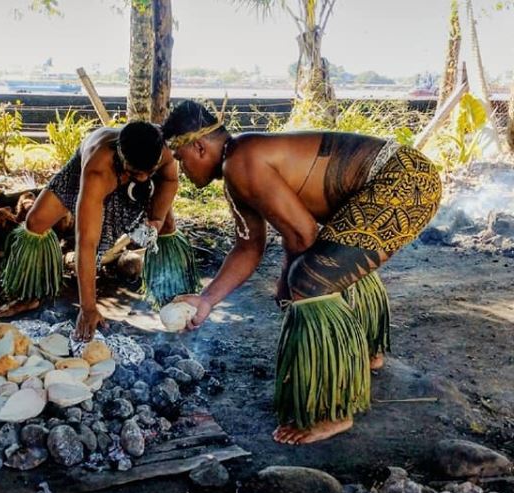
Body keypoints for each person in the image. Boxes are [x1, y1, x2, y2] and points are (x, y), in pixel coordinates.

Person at [162, 99, 442, 445]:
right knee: (331, 259)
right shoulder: (239, 162)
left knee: (310, 280)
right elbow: (249, 247)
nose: (183, 171)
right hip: (405, 176)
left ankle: (332, 411)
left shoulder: (241, 162)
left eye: (180, 159)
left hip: (402, 182)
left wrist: (287, 286)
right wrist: (206, 300)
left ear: (199, 147)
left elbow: (302, 234)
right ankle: (369, 351)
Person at [0, 121, 198, 341]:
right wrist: (88, 307)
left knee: (167, 226)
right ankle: (30, 293)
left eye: (148, 172)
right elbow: (86, 243)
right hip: (90, 170)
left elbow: (169, 179)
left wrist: (156, 219)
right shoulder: (97, 171)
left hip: (134, 174)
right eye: (136, 173)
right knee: (35, 222)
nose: (143, 178)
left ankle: (175, 296)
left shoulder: (162, 150)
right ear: (121, 155)